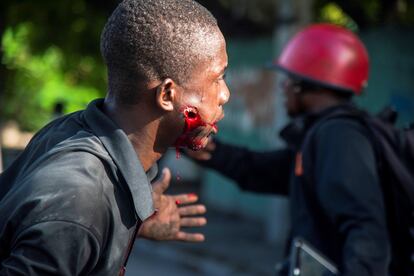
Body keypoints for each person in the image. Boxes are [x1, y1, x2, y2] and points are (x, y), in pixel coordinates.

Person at [0, 0, 230, 275]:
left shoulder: (71, 131)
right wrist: (87, 223)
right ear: (167, 95)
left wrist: (130, 222)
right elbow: (71, 222)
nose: (225, 94)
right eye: (217, 78)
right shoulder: (80, 203)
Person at [187, 24, 392, 276]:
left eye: (289, 79)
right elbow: (262, 170)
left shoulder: (339, 138)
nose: (283, 88)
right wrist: (209, 150)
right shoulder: (319, 136)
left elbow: (366, 230)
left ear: (309, 84)